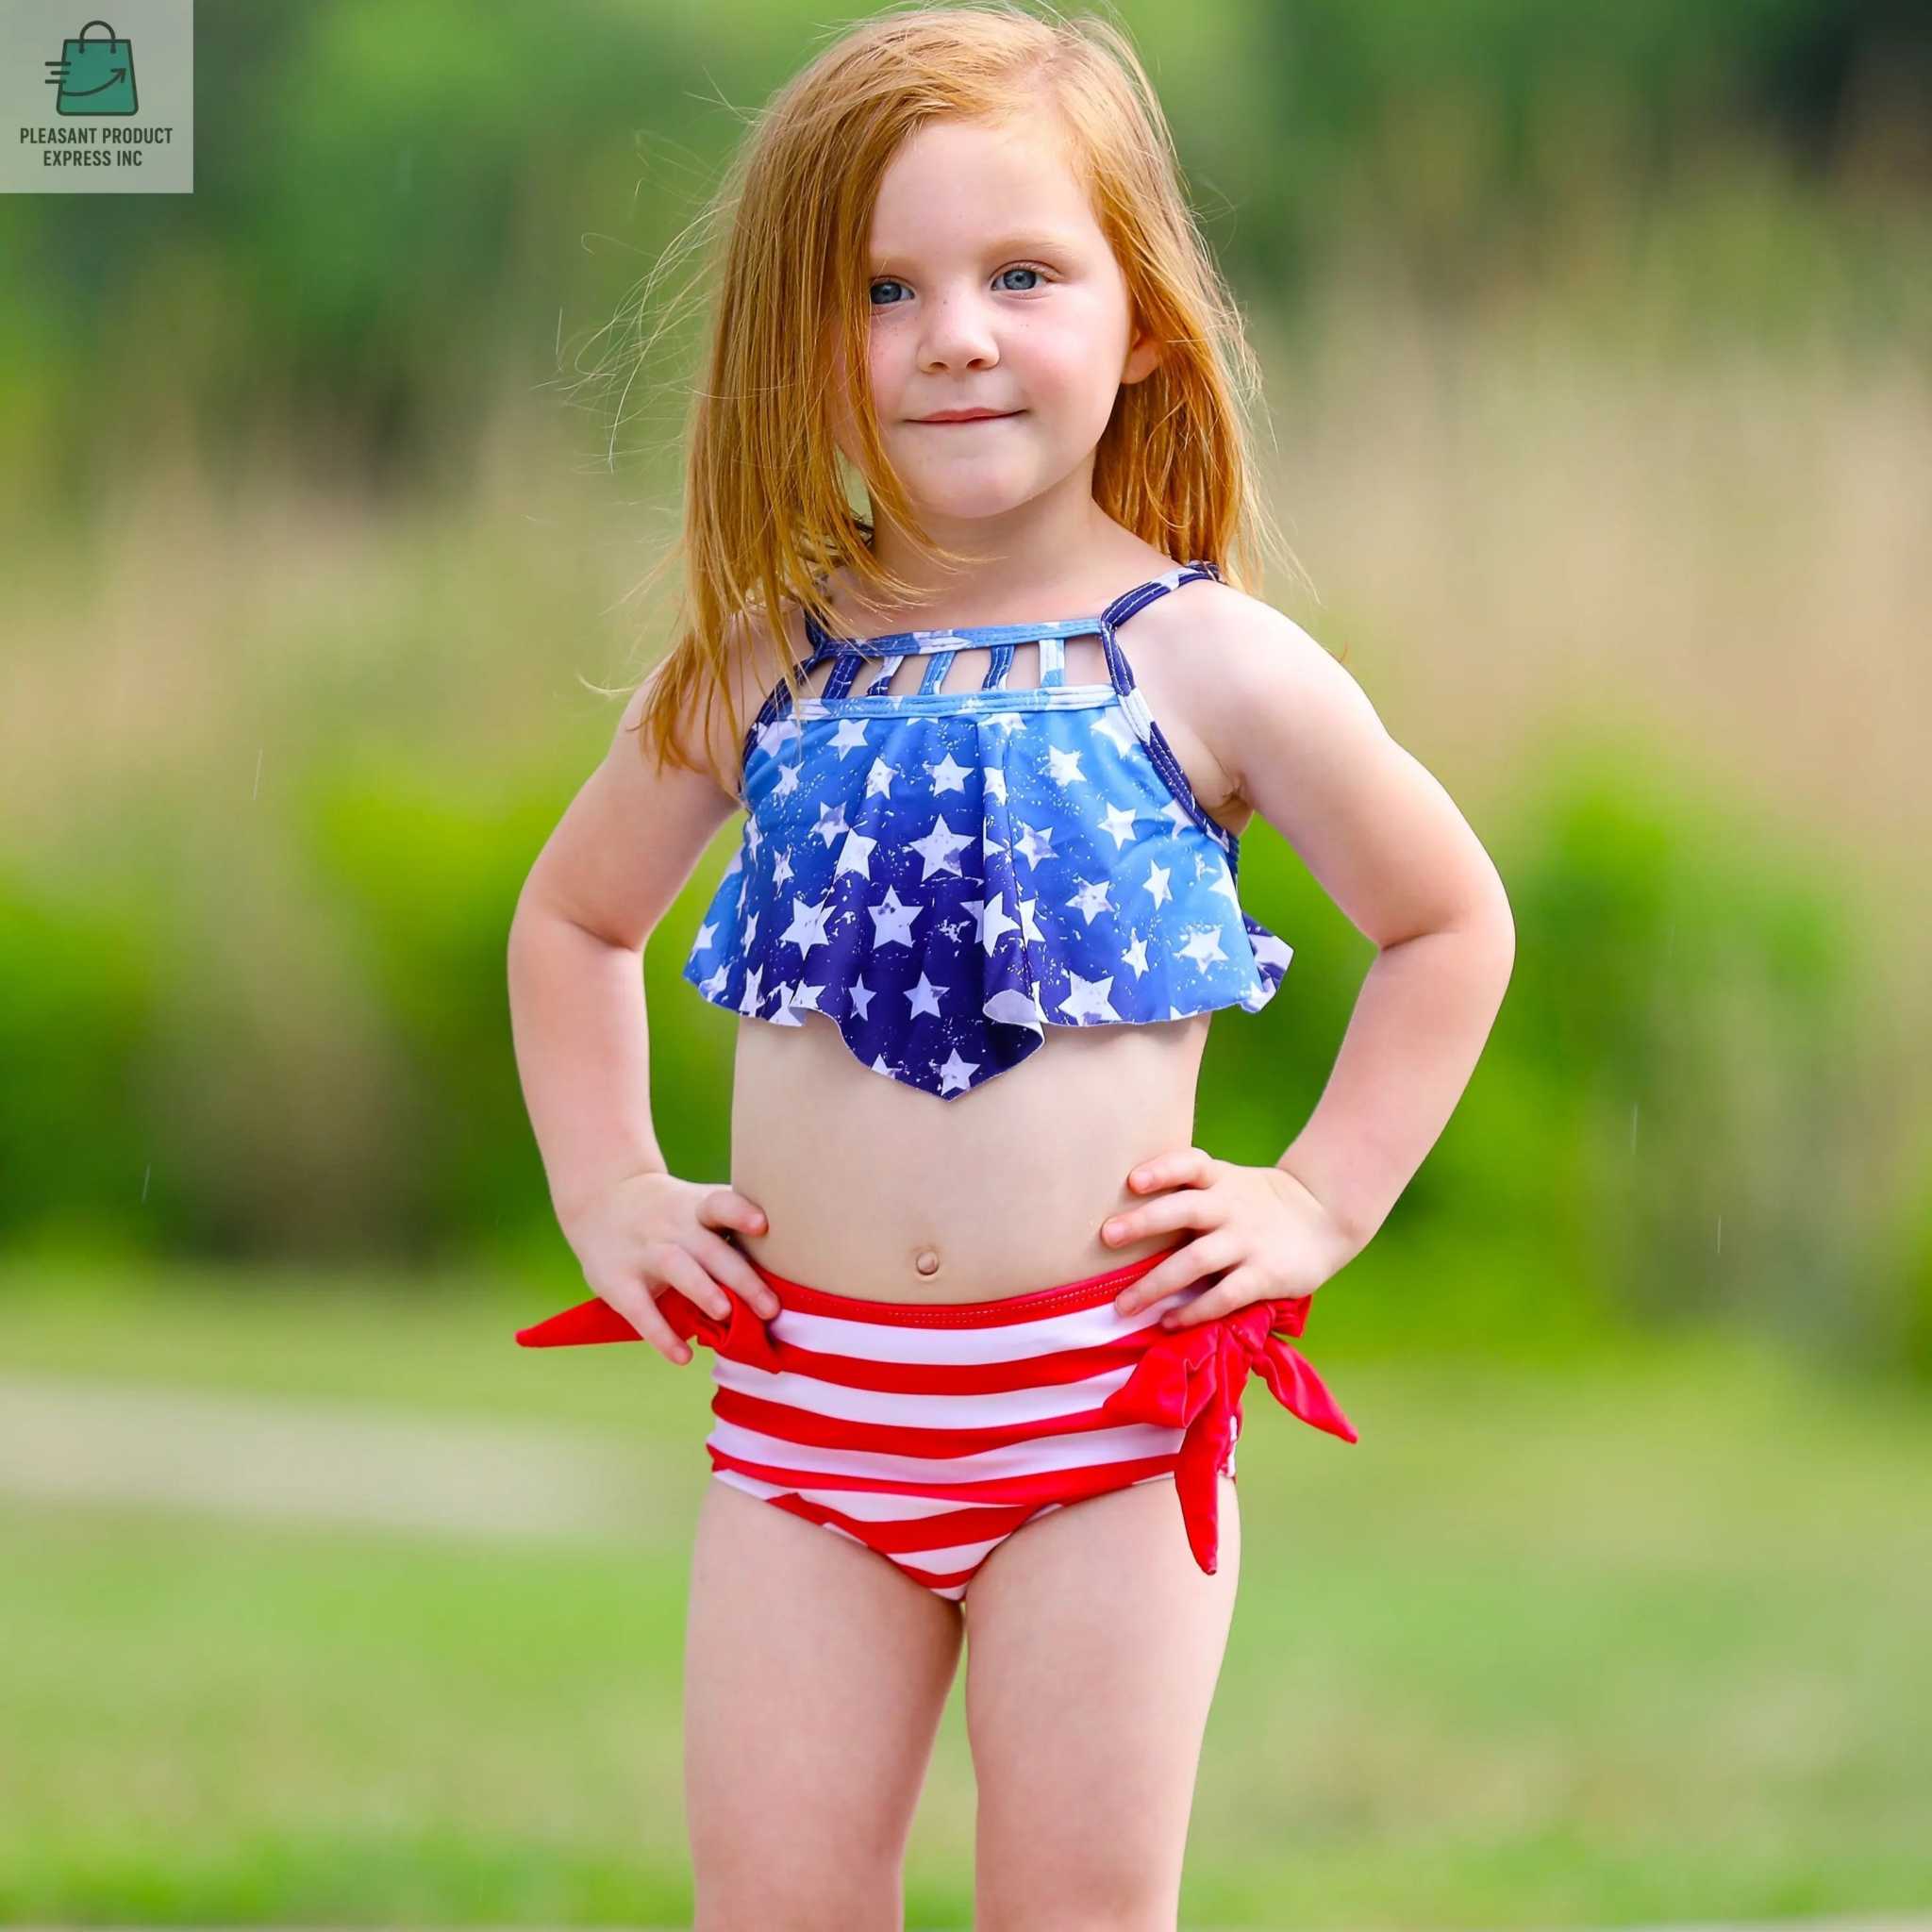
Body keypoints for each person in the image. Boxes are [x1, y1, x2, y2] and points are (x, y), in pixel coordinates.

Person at [507, 7, 1515, 1927]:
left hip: (1104, 1429)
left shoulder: (1208, 660)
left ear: (1140, 317)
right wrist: (606, 1184)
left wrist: (1319, 1196)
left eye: (1021, 273)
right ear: (803, 339)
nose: (952, 332)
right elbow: (572, 921)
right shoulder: (760, 661)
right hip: (807, 1427)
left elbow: (1447, 921)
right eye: (882, 287)